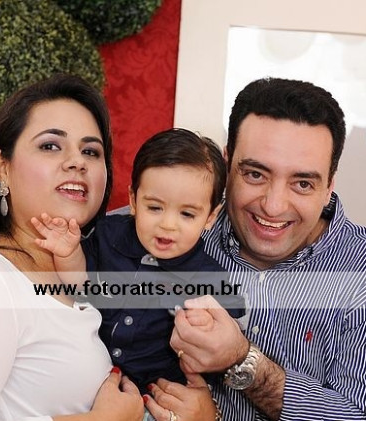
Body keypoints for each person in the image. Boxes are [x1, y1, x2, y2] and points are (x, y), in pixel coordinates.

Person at [0, 74, 216, 421]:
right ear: (2, 167)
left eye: (91, 151)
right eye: (50, 146)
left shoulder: (85, 271)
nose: (77, 162)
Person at [169, 77, 366, 420]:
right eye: (255, 174)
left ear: (329, 186)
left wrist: (242, 360)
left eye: (303, 183)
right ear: (226, 162)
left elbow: (361, 416)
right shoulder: (168, 229)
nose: (273, 206)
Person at [31, 128, 245, 395]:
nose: (168, 225)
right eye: (154, 208)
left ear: (211, 217)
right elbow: (79, 286)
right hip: (87, 377)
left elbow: (227, 336)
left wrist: (207, 325)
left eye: (187, 214)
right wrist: (68, 254)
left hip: (155, 394)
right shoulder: (108, 236)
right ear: (133, 200)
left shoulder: (207, 276)